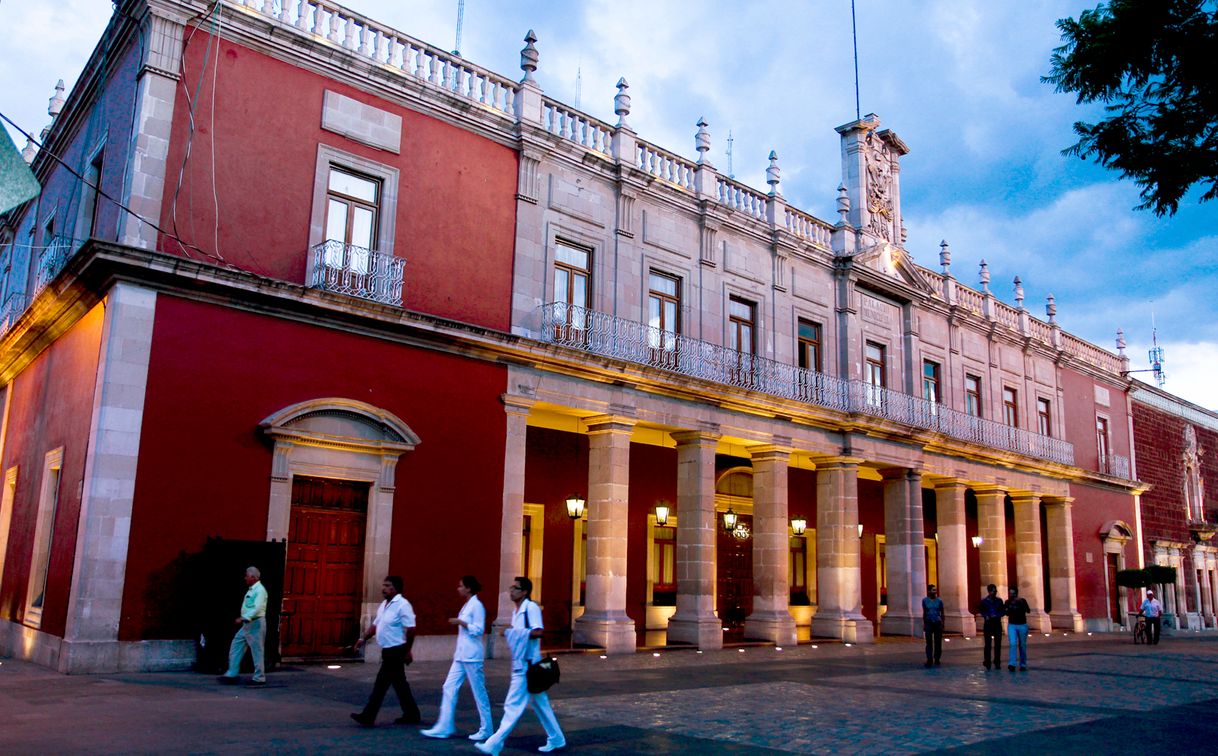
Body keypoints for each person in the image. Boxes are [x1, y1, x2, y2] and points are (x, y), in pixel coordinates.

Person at [475, 576, 565, 755]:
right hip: (521, 664)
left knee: (512, 706)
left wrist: (514, 633)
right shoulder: (517, 612)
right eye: (511, 587)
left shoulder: (530, 608)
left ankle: (494, 743)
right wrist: (512, 632)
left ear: (524, 592)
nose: (511, 590)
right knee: (541, 705)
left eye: (515, 588)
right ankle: (557, 738)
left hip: (527, 667)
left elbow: (538, 632)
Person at [421, 575, 494, 741]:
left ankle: (487, 728)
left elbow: (478, 629)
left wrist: (462, 623)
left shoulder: (477, 606)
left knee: (479, 693)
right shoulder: (468, 605)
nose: (458, 588)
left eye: (461, 586)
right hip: (461, 655)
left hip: (472, 656)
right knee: (448, 687)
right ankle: (444, 726)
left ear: (468, 588)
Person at [351, 576, 421, 727]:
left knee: (380, 685)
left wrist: (408, 651)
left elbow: (411, 629)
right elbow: (375, 625)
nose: (383, 588)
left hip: (396, 651)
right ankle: (412, 714)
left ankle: (368, 716)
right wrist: (363, 639)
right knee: (400, 684)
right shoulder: (384, 605)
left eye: (387, 585)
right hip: (387, 650)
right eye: (383, 585)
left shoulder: (403, 605)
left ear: (394, 588)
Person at [218, 566, 268, 685]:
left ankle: (259, 677)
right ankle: (232, 673)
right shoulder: (252, 589)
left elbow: (257, 608)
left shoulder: (260, 590)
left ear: (252, 577)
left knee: (257, 651)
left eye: (247, 576)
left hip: (255, 623)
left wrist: (243, 618)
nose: (245, 578)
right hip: (248, 624)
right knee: (236, 645)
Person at [978, 584, 1005, 670]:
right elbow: (982, 611)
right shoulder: (984, 601)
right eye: (993, 591)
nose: (995, 592)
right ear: (989, 592)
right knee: (987, 644)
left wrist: (997, 615)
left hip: (997, 623)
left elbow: (1003, 611)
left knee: (998, 644)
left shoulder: (999, 601)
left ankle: (997, 662)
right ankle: (987, 662)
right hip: (988, 623)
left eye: (995, 591)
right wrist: (987, 616)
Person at [1005, 587, 1032, 671]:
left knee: (1022, 645)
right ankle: (1012, 663)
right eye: (1010, 593)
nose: (1012, 595)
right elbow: (1006, 613)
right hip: (1012, 625)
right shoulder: (1007, 602)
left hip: (1022, 625)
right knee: (1013, 644)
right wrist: (1009, 608)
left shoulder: (1022, 601)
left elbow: (1028, 611)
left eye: (1013, 593)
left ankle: (1023, 664)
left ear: (1016, 593)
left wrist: (1021, 603)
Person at [921, 584, 945, 667]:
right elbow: (924, 612)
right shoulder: (924, 601)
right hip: (928, 622)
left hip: (937, 622)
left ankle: (937, 658)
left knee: (938, 642)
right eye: (933, 590)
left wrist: (943, 623)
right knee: (929, 641)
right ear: (928, 591)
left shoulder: (939, 601)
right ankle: (929, 659)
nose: (935, 592)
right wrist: (924, 624)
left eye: (935, 590)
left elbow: (942, 612)